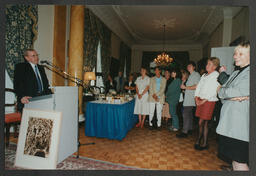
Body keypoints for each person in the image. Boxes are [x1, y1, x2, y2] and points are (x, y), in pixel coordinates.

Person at [216, 41, 250, 171]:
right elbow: (221, 93)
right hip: (229, 123)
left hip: (239, 126)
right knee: (235, 161)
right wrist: (228, 94)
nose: (235, 56)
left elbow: (228, 91)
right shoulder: (236, 73)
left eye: (240, 53)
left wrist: (226, 93)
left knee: (240, 162)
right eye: (235, 53)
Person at [194, 57, 220, 150]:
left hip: (209, 101)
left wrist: (202, 101)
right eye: (207, 64)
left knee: (202, 122)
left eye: (209, 64)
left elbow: (213, 91)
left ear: (215, 66)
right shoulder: (204, 75)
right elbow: (198, 87)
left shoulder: (216, 75)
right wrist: (196, 98)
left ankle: (200, 141)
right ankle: (203, 142)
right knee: (203, 123)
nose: (207, 66)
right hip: (200, 99)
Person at [176, 61, 201, 138]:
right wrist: (184, 84)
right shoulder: (190, 76)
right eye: (188, 66)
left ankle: (184, 132)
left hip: (191, 98)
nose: (188, 67)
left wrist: (185, 87)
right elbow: (188, 87)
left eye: (190, 66)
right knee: (189, 115)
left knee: (185, 114)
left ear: (194, 67)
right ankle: (189, 129)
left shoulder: (196, 75)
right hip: (188, 98)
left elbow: (197, 86)